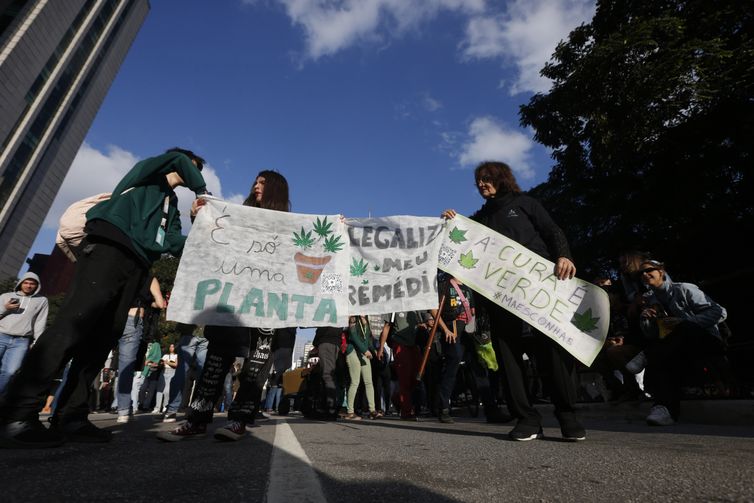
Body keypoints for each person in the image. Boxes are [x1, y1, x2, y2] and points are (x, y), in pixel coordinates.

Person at [0, 148, 208, 448]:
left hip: (138, 265)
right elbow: (175, 161)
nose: (193, 174)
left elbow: (175, 244)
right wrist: (203, 190)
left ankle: (72, 415)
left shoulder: (171, 205)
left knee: (102, 338)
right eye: (194, 168)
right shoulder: (149, 173)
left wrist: (199, 223)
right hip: (110, 246)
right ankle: (16, 414)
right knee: (74, 323)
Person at [442, 161, 584, 442]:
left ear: (502, 178)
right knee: (508, 356)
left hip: (538, 291)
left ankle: (568, 416)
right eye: (478, 181)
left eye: (486, 178)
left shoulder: (526, 203)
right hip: (500, 296)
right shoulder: (479, 220)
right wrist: (452, 222)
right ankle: (527, 419)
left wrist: (564, 255)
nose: (481, 184)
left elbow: (552, 231)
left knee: (550, 353)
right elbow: (462, 243)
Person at [158, 170, 296, 442]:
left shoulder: (289, 224)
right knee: (217, 358)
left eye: (263, 183)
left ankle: (239, 420)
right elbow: (213, 240)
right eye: (255, 181)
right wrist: (197, 218)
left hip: (266, 305)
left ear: (276, 190)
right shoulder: (238, 213)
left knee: (256, 364)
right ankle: (197, 419)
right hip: (232, 299)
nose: (257, 186)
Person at [625, 259, 727, 425]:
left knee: (682, 328)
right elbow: (652, 334)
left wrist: (684, 323)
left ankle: (646, 355)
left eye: (649, 270)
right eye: (640, 273)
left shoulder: (684, 289)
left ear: (661, 272)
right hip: (674, 347)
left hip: (705, 340)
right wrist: (645, 320)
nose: (644, 274)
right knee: (663, 357)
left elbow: (720, 312)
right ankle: (663, 409)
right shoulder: (651, 301)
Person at [115, 277, 166, 423]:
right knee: (126, 364)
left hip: (113, 316)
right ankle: (124, 411)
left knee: (94, 359)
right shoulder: (148, 278)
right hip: (133, 318)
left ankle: (69, 405)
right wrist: (149, 302)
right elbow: (160, 303)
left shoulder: (122, 271)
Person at [0, 273, 48, 395]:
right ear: (21, 283)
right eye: (26, 282)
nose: (28, 286)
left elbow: (40, 322)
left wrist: (37, 341)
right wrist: (5, 308)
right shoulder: (6, 296)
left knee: (11, 371)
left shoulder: (42, 301)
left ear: (37, 285)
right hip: (1, 335)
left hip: (21, 341)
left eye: (32, 283)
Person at [343, 315, 377, 420]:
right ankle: (350, 412)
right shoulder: (353, 317)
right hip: (353, 351)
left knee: (369, 382)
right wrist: (365, 350)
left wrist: (374, 350)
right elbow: (353, 335)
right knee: (355, 382)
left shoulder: (365, 320)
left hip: (363, 353)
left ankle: (372, 410)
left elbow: (367, 340)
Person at [153, 344, 177, 414]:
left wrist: (167, 362)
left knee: (167, 391)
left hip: (171, 373)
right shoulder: (165, 355)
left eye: (172, 346)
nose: (171, 348)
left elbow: (176, 364)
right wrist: (158, 363)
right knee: (159, 391)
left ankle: (165, 407)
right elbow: (161, 362)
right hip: (163, 372)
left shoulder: (176, 356)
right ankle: (157, 408)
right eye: (170, 346)